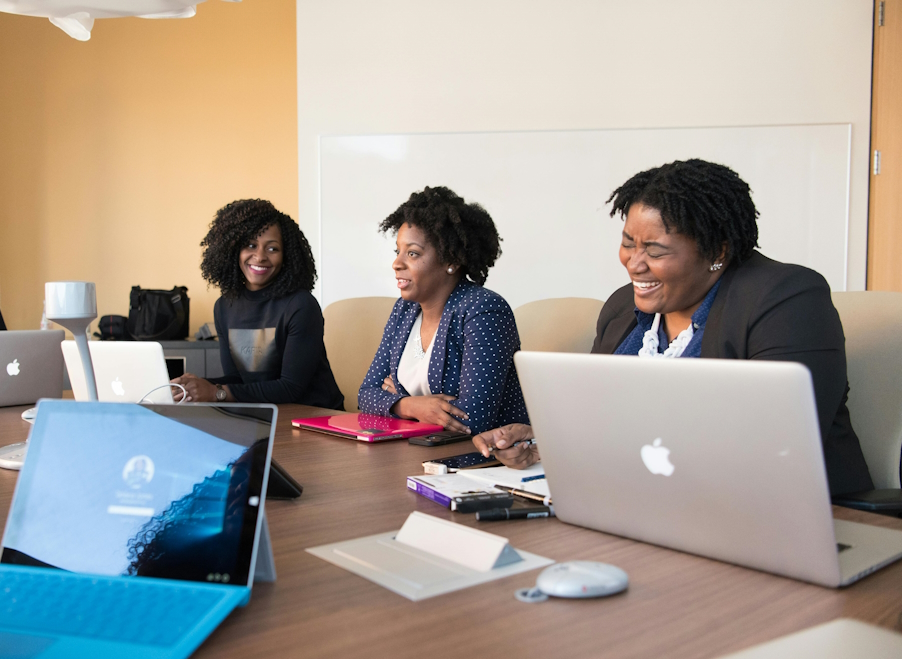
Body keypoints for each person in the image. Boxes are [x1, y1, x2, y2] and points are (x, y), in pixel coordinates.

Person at [474, 159, 873, 498]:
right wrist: (545, 442)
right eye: (628, 243)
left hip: (784, 517)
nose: (634, 263)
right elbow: (601, 419)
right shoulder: (621, 309)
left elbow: (778, 447)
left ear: (717, 252)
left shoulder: (785, 299)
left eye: (655, 250)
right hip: (643, 502)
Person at [358, 186, 529, 435]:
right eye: (398, 251)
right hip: (415, 451)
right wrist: (412, 405)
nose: (396, 263)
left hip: (481, 460)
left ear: (451, 261)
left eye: (413, 253)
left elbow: (470, 419)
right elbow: (366, 395)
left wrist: (397, 398)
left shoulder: (483, 311)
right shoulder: (404, 310)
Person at [173, 199, 344, 408]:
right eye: (251, 245)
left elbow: (291, 387)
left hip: (314, 418)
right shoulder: (224, 307)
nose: (260, 256)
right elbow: (238, 381)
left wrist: (215, 392)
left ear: (286, 255)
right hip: (265, 415)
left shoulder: (301, 305)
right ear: (233, 250)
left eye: (272, 249)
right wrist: (192, 387)